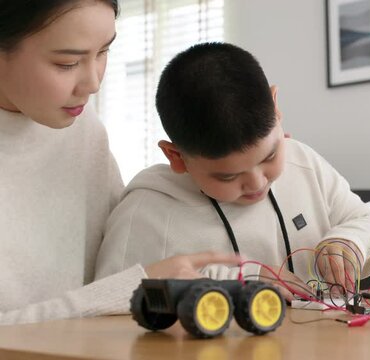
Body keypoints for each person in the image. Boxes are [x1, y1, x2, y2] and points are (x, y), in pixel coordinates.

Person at [95, 42, 370, 301]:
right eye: (227, 176)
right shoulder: (146, 211)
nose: (257, 182)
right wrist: (227, 285)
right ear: (177, 157)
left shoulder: (303, 163)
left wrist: (351, 243)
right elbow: (109, 300)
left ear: (276, 109)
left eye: (269, 156)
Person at [0, 1, 240, 325]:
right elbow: (119, 286)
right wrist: (125, 290)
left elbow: (122, 250)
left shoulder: (84, 129)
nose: (94, 83)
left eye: (103, 52)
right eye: (68, 62)